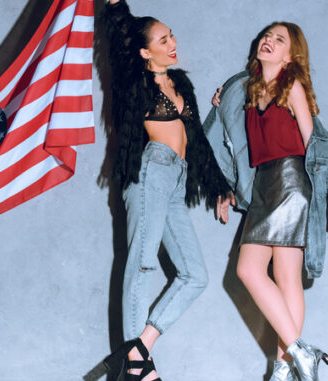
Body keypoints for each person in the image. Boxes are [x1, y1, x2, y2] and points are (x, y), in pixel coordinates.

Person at [205, 22, 328, 381]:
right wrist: (222, 98)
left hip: (291, 182)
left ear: (290, 55)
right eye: (266, 36)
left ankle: (285, 367)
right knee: (253, 271)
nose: (268, 41)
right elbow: (229, 145)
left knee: (282, 276)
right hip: (264, 184)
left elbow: (318, 143)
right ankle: (297, 358)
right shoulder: (246, 91)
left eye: (279, 39)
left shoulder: (293, 88)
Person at [100, 1, 233, 380]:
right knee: (141, 265)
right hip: (149, 173)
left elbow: (198, 141)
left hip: (176, 179)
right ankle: (138, 369)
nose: (172, 42)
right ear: (144, 51)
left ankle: (137, 350)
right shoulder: (134, 80)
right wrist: (114, 4)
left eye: (171, 34)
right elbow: (120, 31)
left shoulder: (181, 84)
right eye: (162, 39)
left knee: (195, 275)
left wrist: (219, 187)